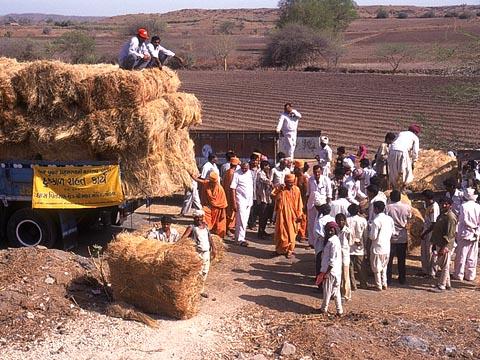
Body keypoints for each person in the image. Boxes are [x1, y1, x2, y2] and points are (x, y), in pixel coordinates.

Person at [181, 209, 216, 297]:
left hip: (206, 252)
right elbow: (184, 237)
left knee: (205, 271)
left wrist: (214, 248)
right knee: (198, 272)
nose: (199, 219)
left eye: (200, 217)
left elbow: (209, 237)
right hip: (197, 253)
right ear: (194, 218)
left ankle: (201, 290)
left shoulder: (205, 226)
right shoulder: (191, 227)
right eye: (197, 218)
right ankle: (194, 290)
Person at [271, 174, 303, 258]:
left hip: (293, 216)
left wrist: (299, 215)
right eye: (288, 182)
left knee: (291, 234)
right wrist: (278, 189)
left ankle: (290, 250)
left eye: (292, 182)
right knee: (280, 232)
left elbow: (299, 203)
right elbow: (272, 196)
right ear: (285, 182)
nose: (290, 184)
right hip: (281, 215)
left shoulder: (297, 190)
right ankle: (279, 250)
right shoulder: (281, 189)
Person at [316, 222, 343, 316]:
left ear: (335, 230)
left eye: (331, 230)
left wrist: (327, 272)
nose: (329, 232)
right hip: (336, 270)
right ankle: (339, 310)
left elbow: (332, 259)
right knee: (336, 292)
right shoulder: (335, 240)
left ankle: (324, 309)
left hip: (331, 271)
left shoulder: (332, 241)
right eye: (328, 230)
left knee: (327, 291)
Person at [431, 198, 458, 291]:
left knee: (445, 266)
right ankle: (447, 284)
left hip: (445, 244)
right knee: (443, 264)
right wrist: (434, 243)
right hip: (439, 243)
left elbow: (450, 234)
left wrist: (444, 247)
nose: (444, 205)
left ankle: (441, 285)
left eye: (446, 204)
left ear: (450, 205)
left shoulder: (450, 217)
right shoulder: (441, 215)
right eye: (443, 203)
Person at [454, 188, 480, 281]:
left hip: (465, 233)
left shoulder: (463, 206)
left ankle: (459, 274)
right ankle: (470, 275)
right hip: (475, 233)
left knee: (462, 255)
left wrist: (471, 227)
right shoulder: (478, 206)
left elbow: (463, 220)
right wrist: (476, 230)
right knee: (472, 256)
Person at [191, 172, 228, 238]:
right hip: (210, 207)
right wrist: (192, 176)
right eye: (211, 181)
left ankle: (218, 235)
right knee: (203, 212)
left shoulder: (220, 189)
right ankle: (205, 230)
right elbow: (199, 181)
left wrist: (222, 213)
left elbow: (223, 203)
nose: (212, 183)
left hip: (218, 209)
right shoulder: (207, 183)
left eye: (213, 182)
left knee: (219, 224)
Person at [386, 190, 412, 285]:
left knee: (389, 260)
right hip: (402, 236)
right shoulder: (407, 207)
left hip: (391, 237)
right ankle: (402, 278)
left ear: (391, 198)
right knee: (402, 259)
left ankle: (388, 279)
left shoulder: (387, 208)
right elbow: (410, 218)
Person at [369, 201, 395, 291]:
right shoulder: (389, 219)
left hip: (377, 247)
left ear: (376, 209)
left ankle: (379, 284)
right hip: (386, 247)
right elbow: (393, 232)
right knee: (384, 266)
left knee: (376, 267)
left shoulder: (376, 221)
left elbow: (373, 236)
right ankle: (384, 283)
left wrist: (369, 231)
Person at [388, 124, 420, 190]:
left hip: (392, 150)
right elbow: (415, 151)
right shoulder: (415, 137)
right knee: (406, 171)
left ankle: (394, 188)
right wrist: (414, 161)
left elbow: (394, 142)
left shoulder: (401, 133)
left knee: (394, 171)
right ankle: (402, 189)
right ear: (415, 132)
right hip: (402, 151)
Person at [306, 165, 332, 247]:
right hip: (312, 204)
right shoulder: (310, 179)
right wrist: (306, 204)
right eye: (315, 172)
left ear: (321, 172)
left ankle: (320, 242)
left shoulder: (326, 179)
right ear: (313, 172)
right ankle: (311, 243)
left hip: (322, 205)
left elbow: (329, 194)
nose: (317, 174)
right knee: (311, 223)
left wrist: (328, 206)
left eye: (318, 172)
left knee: (320, 223)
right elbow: (308, 193)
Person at [230, 162, 254, 247]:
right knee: (242, 220)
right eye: (243, 168)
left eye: (246, 168)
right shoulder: (236, 174)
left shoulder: (250, 173)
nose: (244, 170)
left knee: (244, 220)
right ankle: (240, 240)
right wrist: (234, 203)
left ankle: (239, 238)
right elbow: (233, 189)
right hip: (240, 200)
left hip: (248, 201)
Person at [347, 204, 368, 290]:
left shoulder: (347, 220)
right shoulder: (362, 220)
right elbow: (365, 234)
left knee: (350, 266)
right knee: (361, 266)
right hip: (360, 245)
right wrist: (365, 245)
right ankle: (363, 283)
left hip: (349, 245)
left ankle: (353, 284)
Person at [420, 190, 439, 277]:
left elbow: (434, 223)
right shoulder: (428, 206)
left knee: (430, 252)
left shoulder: (434, 207)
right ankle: (425, 270)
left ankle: (431, 272)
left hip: (431, 232)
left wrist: (425, 233)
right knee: (424, 252)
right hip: (426, 230)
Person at [314, 203, 335, 276]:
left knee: (320, 263)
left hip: (321, 245)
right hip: (331, 243)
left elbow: (318, 233)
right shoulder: (333, 219)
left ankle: (319, 279)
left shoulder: (320, 221)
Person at [336, 213, 352, 301]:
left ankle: (346, 295)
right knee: (338, 275)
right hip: (338, 255)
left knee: (345, 276)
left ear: (345, 221)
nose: (340, 222)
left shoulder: (347, 231)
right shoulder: (336, 230)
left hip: (345, 255)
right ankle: (339, 292)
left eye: (342, 220)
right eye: (338, 221)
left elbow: (350, 242)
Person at [223, 157, 241, 236]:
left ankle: (229, 228)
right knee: (230, 213)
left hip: (228, 194)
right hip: (230, 196)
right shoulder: (231, 173)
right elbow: (231, 187)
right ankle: (227, 229)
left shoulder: (228, 172)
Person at [256, 160, 273, 239]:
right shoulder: (260, 173)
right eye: (267, 166)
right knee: (262, 216)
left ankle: (263, 230)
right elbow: (266, 181)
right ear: (264, 166)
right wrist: (272, 183)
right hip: (262, 198)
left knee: (266, 216)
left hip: (267, 197)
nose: (269, 168)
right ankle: (260, 232)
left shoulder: (267, 174)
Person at [293, 160, 309, 242]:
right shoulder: (294, 177)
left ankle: (302, 235)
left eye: (296, 168)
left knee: (302, 219)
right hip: (294, 201)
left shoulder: (304, 179)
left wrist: (304, 204)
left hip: (302, 202)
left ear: (300, 169)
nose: (294, 170)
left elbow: (306, 193)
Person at [248, 154, 261, 231]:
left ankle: (254, 222)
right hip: (249, 192)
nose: (255, 162)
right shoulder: (247, 169)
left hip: (257, 192)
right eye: (254, 160)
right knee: (251, 209)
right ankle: (251, 224)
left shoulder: (259, 169)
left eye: (256, 160)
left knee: (256, 208)